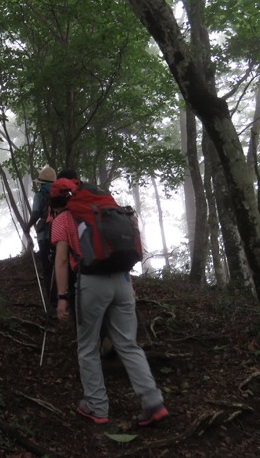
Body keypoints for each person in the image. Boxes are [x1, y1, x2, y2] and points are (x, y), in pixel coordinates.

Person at [50, 177, 168, 426]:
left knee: (87, 347)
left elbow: (61, 261)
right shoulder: (106, 212)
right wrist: (130, 287)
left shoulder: (63, 220)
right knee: (128, 344)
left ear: (58, 201)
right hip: (122, 280)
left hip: (91, 282)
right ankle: (153, 402)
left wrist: (62, 298)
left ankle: (97, 406)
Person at [24, 165, 57, 308]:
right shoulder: (61, 194)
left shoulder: (40, 195)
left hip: (45, 236)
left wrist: (28, 226)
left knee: (48, 268)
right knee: (60, 265)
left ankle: (52, 301)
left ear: (41, 182)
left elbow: (36, 213)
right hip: (61, 235)